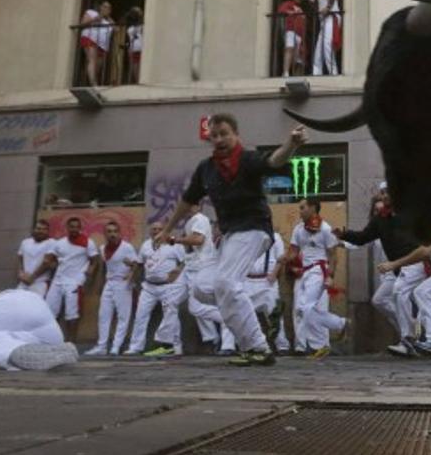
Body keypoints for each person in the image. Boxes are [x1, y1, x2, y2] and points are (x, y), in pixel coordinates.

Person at [156, 113, 308, 367]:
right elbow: (188, 199)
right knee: (202, 288)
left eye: (224, 133)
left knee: (226, 283)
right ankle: (252, 330)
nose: (219, 139)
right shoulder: (206, 169)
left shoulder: (248, 159)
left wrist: (292, 144)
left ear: (236, 134)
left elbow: (273, 160)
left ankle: (259, 347)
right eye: (214, 136)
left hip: (254, 228)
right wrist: (168, 228)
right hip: (229, 235)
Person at [333, 189, 426, 357]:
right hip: (397, 267)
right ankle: (416, 330)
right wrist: (344, 234)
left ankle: (409, 338)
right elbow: (363, 237)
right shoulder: (380, 220)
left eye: (388, 193)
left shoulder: (408, 214)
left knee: (401, 292)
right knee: (384, 299)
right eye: (382, 195)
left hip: (414, 262)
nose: (384, 197)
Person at [288, 198, 348, 358]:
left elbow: (333, 256)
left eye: (303, 207)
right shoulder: (298, 229)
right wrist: (284, 260)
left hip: (318, 271)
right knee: (302, 309)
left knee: (308, 307)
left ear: (313, 208)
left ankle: (320, 344)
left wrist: (330, 276)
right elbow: (293, 253)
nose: (300, 211)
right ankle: (339, 325)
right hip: (304, 272)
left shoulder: (325, 229)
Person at [175, 204, 237, 355]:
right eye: (215, 227)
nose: (215, 230)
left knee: (224, 305)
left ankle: (228, 345)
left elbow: (199, 240)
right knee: (195, 307)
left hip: (227, 278)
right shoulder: (214, 243)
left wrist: (174, 239)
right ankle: (224, 325)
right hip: (212, 276)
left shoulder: (228, 241)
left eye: (217, 227)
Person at [125, 222, 187, 356]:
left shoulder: (174, 244)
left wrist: (178, 271)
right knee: (140, 315)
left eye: (160, 229)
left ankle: (176, 346)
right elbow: (140, 264)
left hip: (169, 286)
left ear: (165, 231)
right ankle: (136, 347)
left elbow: (184, 261)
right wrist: (132, 280)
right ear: (150, 231)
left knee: (171, 315)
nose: (157, 231)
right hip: (148, 287)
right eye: (154, 229)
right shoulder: (145, 245)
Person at [37, 217, 98, 342]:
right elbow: (49, 257)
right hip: (57, 281)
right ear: (67, 228)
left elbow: (95, 259)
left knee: (72, 313)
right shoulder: (60, 243)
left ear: (80, 228)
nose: (74, 229)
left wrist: (91, 269)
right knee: (49, 312)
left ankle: (71, 342)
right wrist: (49, 261)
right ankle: (49, 340)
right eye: (72, 226)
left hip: (74, 282)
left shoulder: (87, 242)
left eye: (77, 226)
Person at [85, 221, 138, 356]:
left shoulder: (127, 247)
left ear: (119, 233)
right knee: (103, 315)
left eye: (115, 231)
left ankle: (116, 346)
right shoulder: (102, 248)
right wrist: (99, 286)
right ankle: (102, 346)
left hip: (123, 283)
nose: (112, 234)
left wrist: (131, 269)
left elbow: (137, 265)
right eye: (109, 231)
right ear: (105, 234)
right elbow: (104, 268)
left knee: (123, 316)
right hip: (109, 283)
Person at [79, 0, 114, 86]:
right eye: (105, 6)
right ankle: (94, 85)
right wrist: (94, 19)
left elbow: (117, 30)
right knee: (92, 60)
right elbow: (82, 23)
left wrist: (110, 20)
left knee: (97, 67)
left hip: (102, 46)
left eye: (109, 8)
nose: (106, 9)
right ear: (100, 7)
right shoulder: (91, 12)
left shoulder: (109, 21)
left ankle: (87, 82)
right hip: (90, 38)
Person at [17, 220, 55, 297]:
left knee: (35, 306)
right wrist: (21, 273)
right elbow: (20, 259)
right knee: (18, 305)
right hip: (24, 282)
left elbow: (46, 263)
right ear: (33, 229)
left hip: (40, 283)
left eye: (44, 229)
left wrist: (32, 278)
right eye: (38, 228)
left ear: (48, 231)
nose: (41, 231)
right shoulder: (25, 242)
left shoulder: (52, 242)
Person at [310, 0, 341, 76]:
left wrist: (328, 7)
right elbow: (317, 8)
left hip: (331, 18)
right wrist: (312, 1)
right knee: (319, 49)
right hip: (325, 21)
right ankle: (316, 73)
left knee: (327, 45)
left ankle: (333, 73)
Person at [277, 0, 306, 77]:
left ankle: (295, 76)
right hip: (290, 31)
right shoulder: (287, 4)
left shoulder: (301, 9)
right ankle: (285, 72)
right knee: (289, 48)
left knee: (298, 59)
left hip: (300, 35)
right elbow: (281, 11)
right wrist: (293, 12)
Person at [125, 6, 143, 83]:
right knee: (136, 71)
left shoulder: (143, 25)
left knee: (142, 70)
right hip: (134, 50)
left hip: (142, 50)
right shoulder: (130, 28)